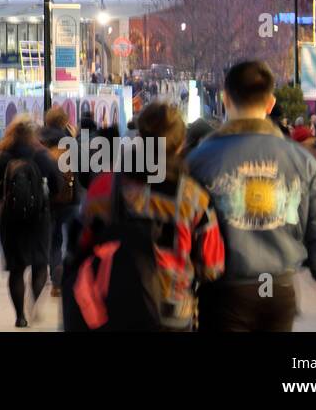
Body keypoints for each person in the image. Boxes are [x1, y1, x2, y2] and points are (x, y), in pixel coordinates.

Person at [186, 60, 316, 332]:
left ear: (225, 99)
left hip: (222, 293)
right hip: (279, 292)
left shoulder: (198, 161)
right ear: (270, 103)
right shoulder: (301, 161)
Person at [67, 102, 226, 331]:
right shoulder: (193, 197)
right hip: (171, 313)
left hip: (112, 307)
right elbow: (212, 266)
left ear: (141, 136)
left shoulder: (105, 184)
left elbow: (79, 243)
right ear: (181, 144)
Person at [0, 115, 64, 327]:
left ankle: (20, 316)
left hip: (10, 218)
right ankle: (33, 302)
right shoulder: (42, 155)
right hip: (39, 218)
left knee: (16, 269)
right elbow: (58, 185)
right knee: (40, 265)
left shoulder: (1, 156)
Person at [38, 107, 77, 297]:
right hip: (68, 196)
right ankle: (67, 277)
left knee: (53, 240)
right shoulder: (69, 141)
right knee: (69, 239)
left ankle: (55, 281)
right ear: (63, 122)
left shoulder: (38, 140)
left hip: (45, 197)